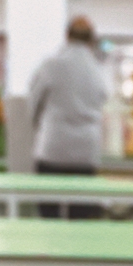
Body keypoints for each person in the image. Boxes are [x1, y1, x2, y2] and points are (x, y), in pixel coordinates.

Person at [25, 14, 109, 218]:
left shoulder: (51, 65)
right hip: (85, 152)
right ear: (91, 40)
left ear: (67, 35)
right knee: (80, 219)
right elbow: (103, 101)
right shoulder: (98, 69)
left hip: (53, 148)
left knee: (49, 216)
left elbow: (33, 104)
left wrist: (38, 126)